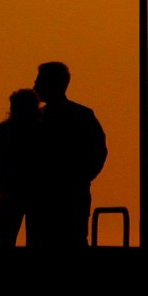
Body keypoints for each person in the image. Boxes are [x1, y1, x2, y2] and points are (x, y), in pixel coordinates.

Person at [28, 61, 106, 249]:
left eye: (39, 81)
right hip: (67, 195)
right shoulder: (82, 115)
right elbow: (98, 152)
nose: (34, 86)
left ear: (51, 84)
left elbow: (97, 152)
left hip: (49, 197)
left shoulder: (38, 119)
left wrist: (77, 177)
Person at [0, 89, 40, 247]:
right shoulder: (42, 128)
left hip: (10, 189)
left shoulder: (6, 129)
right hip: (36, 189)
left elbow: (0, 158)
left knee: (5, 236)